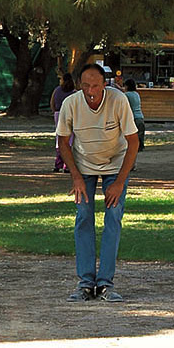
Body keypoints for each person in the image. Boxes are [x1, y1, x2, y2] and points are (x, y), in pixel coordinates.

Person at [57, 62, 139, 302]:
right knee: (83, 216)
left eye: (95, 85)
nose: (90, 91)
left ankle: (105, 283)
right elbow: (63, 142)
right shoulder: (70, 104)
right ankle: (85, 283)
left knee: (113, 216)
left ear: (105, 84)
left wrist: (119, 182)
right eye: (85, 86)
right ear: (79, 86)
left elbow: (133, 143)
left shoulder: (118, 101)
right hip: (84, 165)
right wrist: (76, 177)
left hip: (115, 164)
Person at [50, 72, 76, 173]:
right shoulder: (74, 92)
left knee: (60, 138)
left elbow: (52, 102)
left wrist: (55, 112)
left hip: (58, 114)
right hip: (71, 115)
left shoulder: (57, 90)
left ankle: (58, 163)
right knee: (70, 140)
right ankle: (67, 165)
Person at [123, 79, 146, 151]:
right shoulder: (136, 94)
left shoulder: (126, 95)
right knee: (140, 133)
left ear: (127, 86)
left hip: (133, 117)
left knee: (133, 134)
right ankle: (141, 147)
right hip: (140, 116)